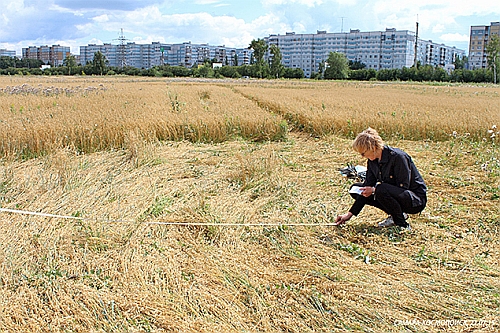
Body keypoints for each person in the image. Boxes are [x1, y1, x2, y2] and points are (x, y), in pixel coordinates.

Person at [334, 128, 427, 229]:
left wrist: (374, 190)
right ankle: (396, 214)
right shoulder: (372, 161)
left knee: (380, 189)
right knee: (356, 189)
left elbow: (403, 187)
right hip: (392, 193)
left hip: (414, 200)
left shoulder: (398, 157)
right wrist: (349, 214)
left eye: (363, 153)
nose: (362, 157)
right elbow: (367, 185)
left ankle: (402, 224)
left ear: (372, 148)